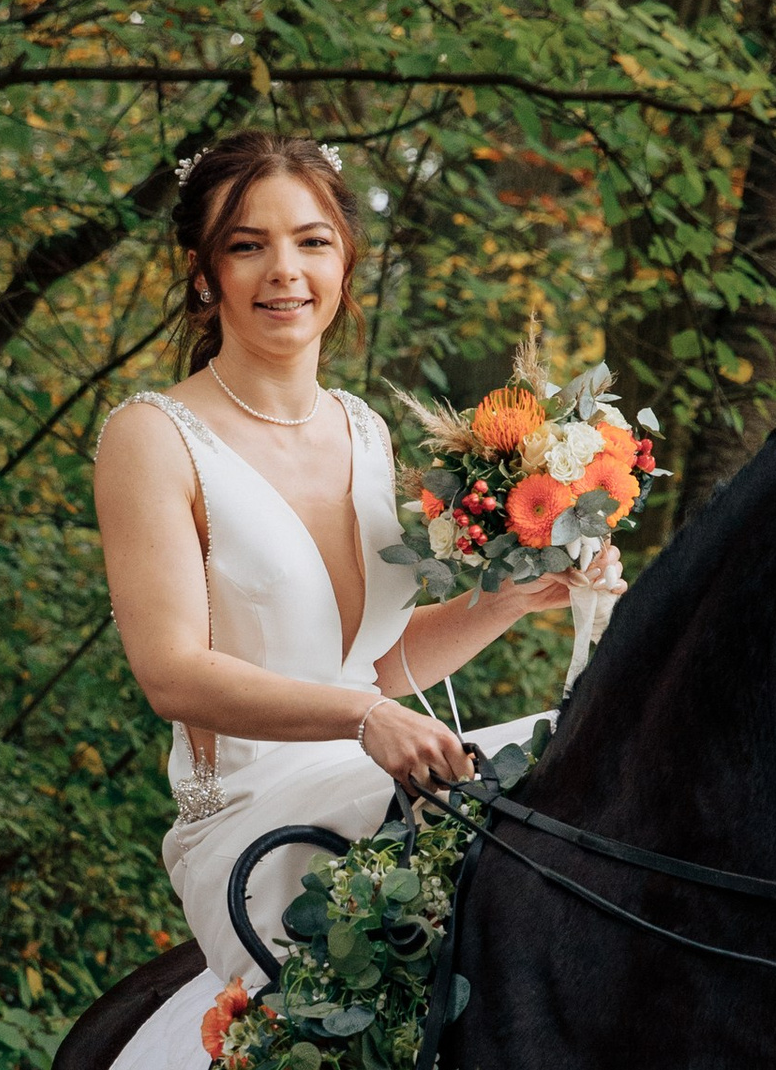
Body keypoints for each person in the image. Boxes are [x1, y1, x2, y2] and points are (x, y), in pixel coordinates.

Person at [95, 131, 619, 985]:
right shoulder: (152, 438)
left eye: (311, 241)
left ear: (344, 262)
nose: (284, 271)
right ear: (203, 272)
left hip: (370, 776)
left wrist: (508, 604)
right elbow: (173, 674)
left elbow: (367, 665)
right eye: (247, 245)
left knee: (582, 770)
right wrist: (364, 721)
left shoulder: (362, 428)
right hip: (256, 815)